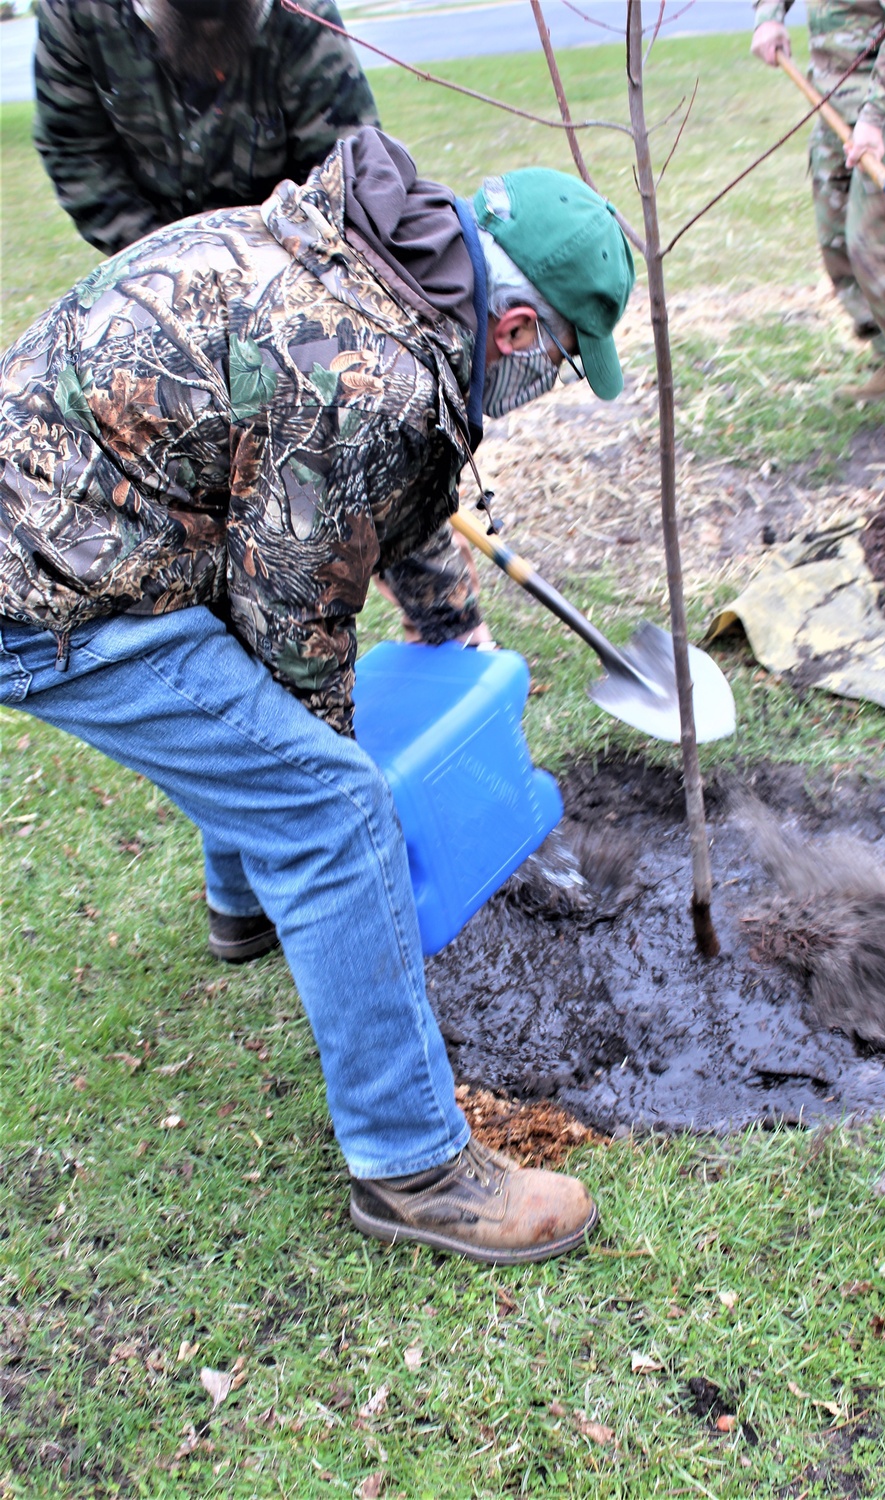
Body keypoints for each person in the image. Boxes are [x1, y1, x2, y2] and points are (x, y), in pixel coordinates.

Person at [0, 128, 635, 1263]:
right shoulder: (371, 371)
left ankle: (242, 907)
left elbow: (384, 488)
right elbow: (294, 632)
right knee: (330, 805)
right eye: (561, 363)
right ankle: (413, 1167)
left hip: (104, 514)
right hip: (50, 581)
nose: (545, 388)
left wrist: (450, 629)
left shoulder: (382, 265)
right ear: (521, 329)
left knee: (260, 723)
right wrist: (375, 811)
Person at [751, 0, 885, 447]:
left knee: (878, 242)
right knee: (837, 238)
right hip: (839, 86)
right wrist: (769, 13)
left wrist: (874, 117)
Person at [33, 0, 378, 256]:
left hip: (288, 256)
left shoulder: (298, 12)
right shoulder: (78, 10)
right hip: (150, 261)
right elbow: (74, 148)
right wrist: (161, 260)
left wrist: (271, 267)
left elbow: (345, 172)